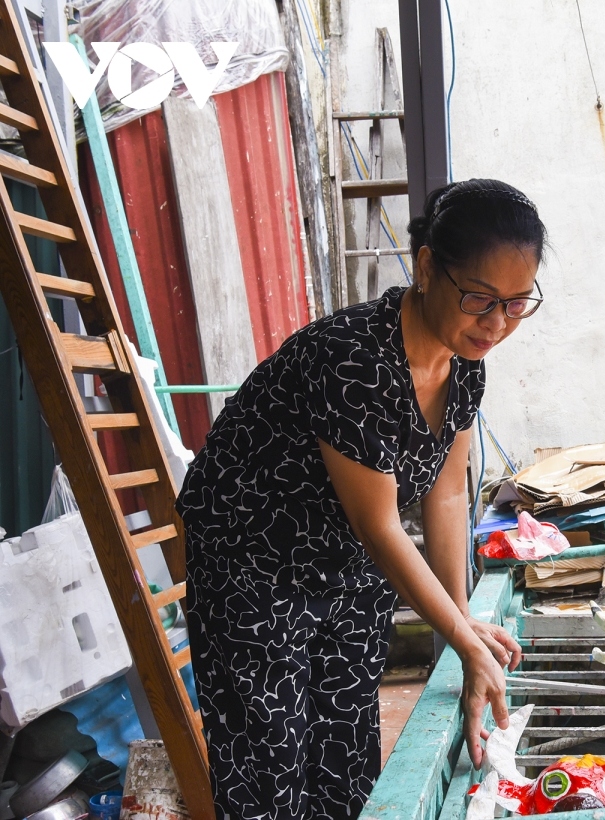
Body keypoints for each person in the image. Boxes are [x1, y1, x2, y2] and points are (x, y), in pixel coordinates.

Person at [177, 179, 546, 819]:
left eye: (516, 304)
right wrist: (461, 640)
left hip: (344, 564)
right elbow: (379, 525)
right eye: (480, 298)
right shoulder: (354, 360)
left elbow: (447, 490)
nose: (496, 323)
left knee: (346, 759)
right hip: (253, 565)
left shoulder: (464, 362)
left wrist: (461, 622)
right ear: (428, 266)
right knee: (269, 770)